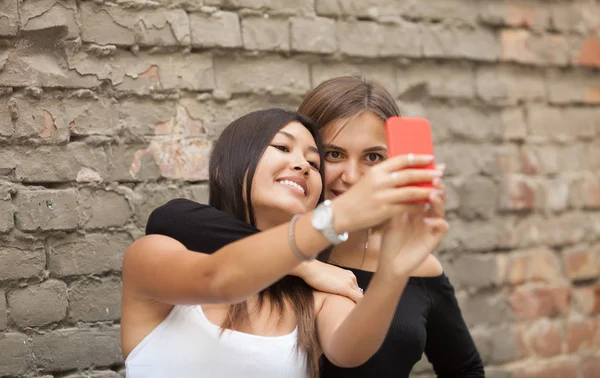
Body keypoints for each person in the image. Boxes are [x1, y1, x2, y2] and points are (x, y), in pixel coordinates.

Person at [146, 77, 484, 377]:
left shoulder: (415, 264)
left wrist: (392, 271)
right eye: (334, 154)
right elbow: (171, 220)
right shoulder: (274, 242)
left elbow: (465, 368)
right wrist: (303, 263)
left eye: (373, 158)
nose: (351, 177)